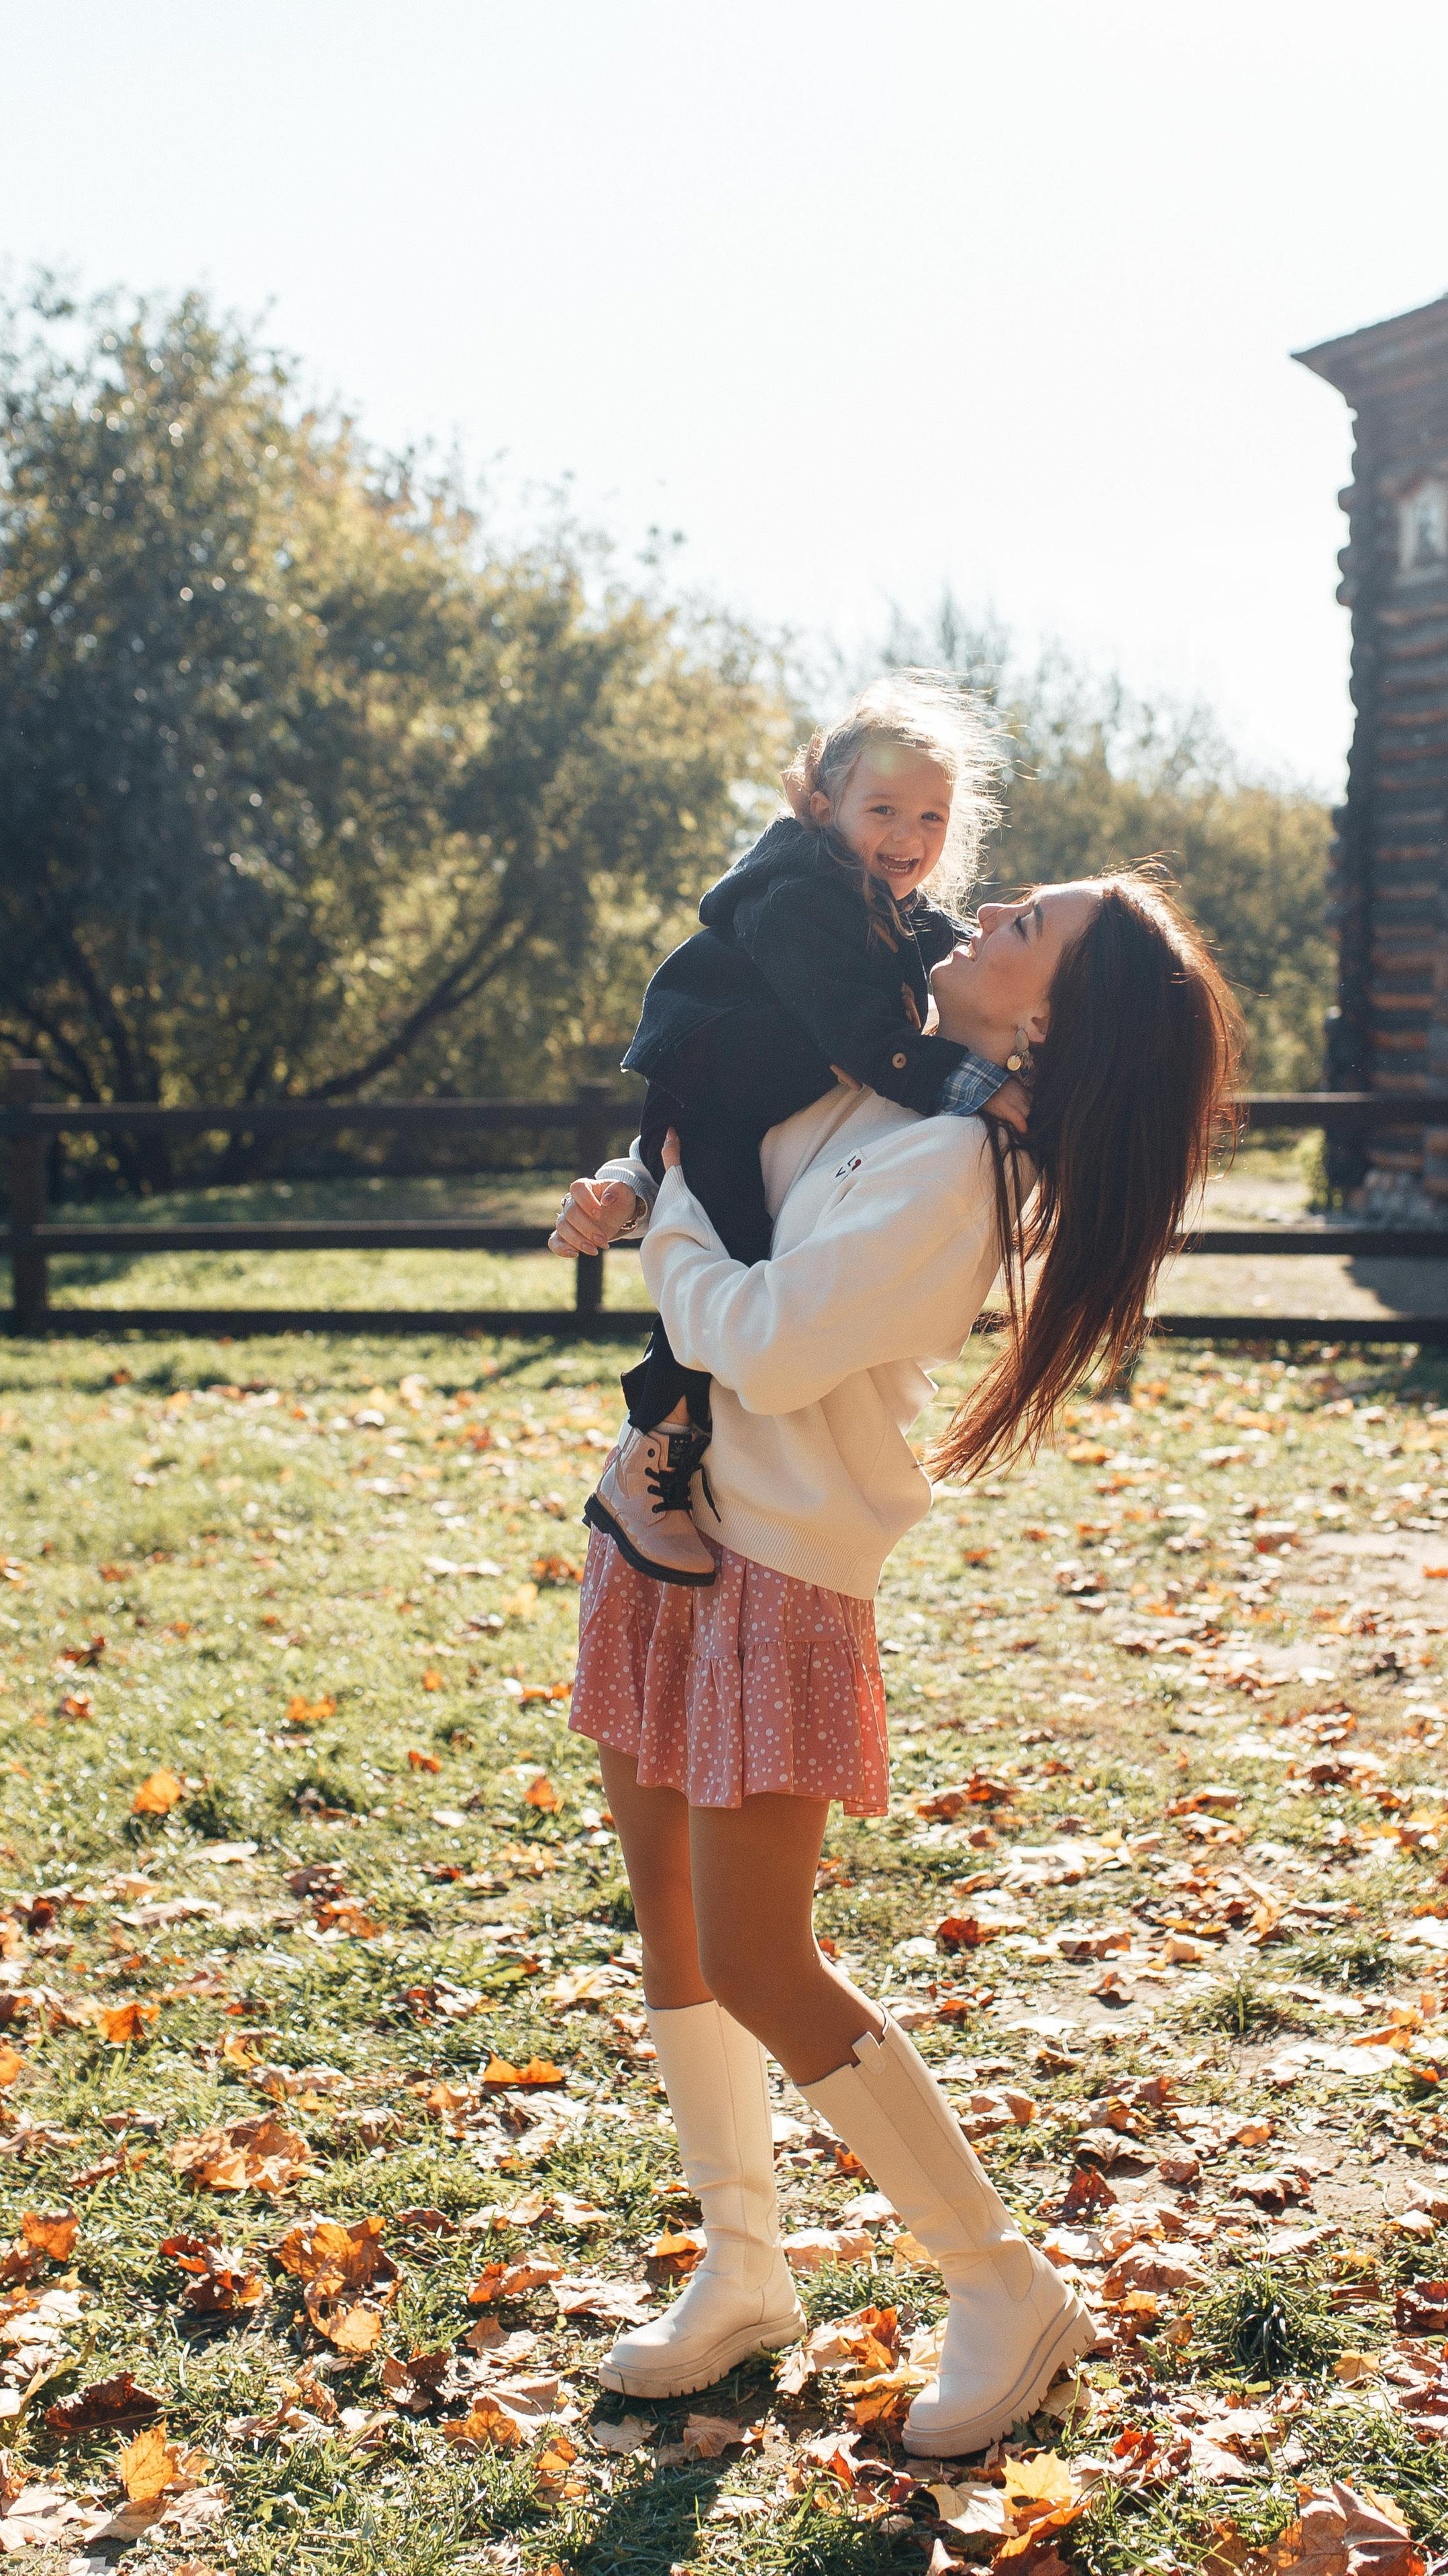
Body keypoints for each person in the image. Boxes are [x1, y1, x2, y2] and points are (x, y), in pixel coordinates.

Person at [548, 865, 1243, 2457]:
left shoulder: (957, 1174)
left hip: (779, 1569)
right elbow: (716, 1150)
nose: (976, 921)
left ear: (1050, 1019)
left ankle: (1002, 2289)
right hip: (663, 1517)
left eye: (1019, 931)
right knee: (666, 1907)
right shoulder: (873, 1068)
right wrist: (628, 1176)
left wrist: (661, 1236)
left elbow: (767, 1331)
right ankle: (739, 2269)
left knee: (760, 1958)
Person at [584, 672, 1032, 1591]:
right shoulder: (797, 898)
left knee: (753, 1257)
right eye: (884, 811)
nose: (908, 840)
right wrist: (980, 1085)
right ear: (823, 804)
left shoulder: (890, 905)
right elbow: (866, 1040)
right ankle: (650, 1460)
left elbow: (942, 964)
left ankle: (674, 1456)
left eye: (932, 820)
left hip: (759, 1092)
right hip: (710, 1090)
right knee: (735, 1256)